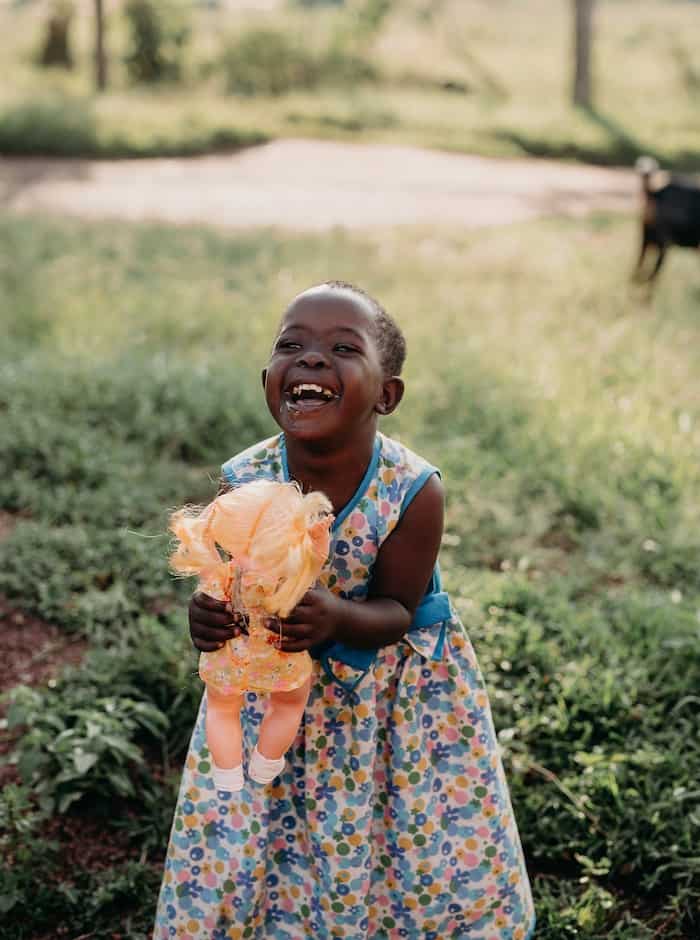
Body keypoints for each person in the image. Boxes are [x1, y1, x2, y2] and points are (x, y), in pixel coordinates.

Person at [153, 281, 536, 940]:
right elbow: (228, 580)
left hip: (383, 708)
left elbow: (401, 611)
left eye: (341, 347)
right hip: (264, 699)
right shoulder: (245, 478)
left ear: (386, 394)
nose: (309, 358)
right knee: (260, 832)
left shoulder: (411, 491)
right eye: (291, 345)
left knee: (392, 841)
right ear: (267, 380)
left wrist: (337, 619)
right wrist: (208, 617)